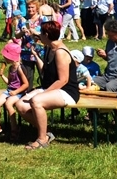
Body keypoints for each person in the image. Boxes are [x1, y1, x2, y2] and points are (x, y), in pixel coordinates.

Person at [13, 20, 78, 150]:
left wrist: (44, 93)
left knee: (36, 101)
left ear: (47, 35)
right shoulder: (49, 47)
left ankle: (42, 139)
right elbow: (46, 71)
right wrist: (36, 57)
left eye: (41, 33)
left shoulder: (60, 52)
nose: (39, 36)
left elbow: (63, 80)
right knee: (20, 105)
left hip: (67, 91)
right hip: (50, 87)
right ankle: (47, 133)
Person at [0, 41, 29, 140]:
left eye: (5, 56)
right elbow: (9, 83)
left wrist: (15, 92)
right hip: (9, 90)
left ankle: (15, 128)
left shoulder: (19, 68)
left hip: (19, 92)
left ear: (12, 57)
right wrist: (2, 76)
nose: (4, 58)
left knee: (8, 104)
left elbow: (26, 84)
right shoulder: (11, 68)